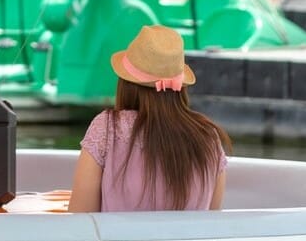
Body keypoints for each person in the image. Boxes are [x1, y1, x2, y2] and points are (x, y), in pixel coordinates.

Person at [68, 25, 229, 212]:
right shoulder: (208, 137)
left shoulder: (106, 128)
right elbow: (213, 221)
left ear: (126, 83)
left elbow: (80, 217)